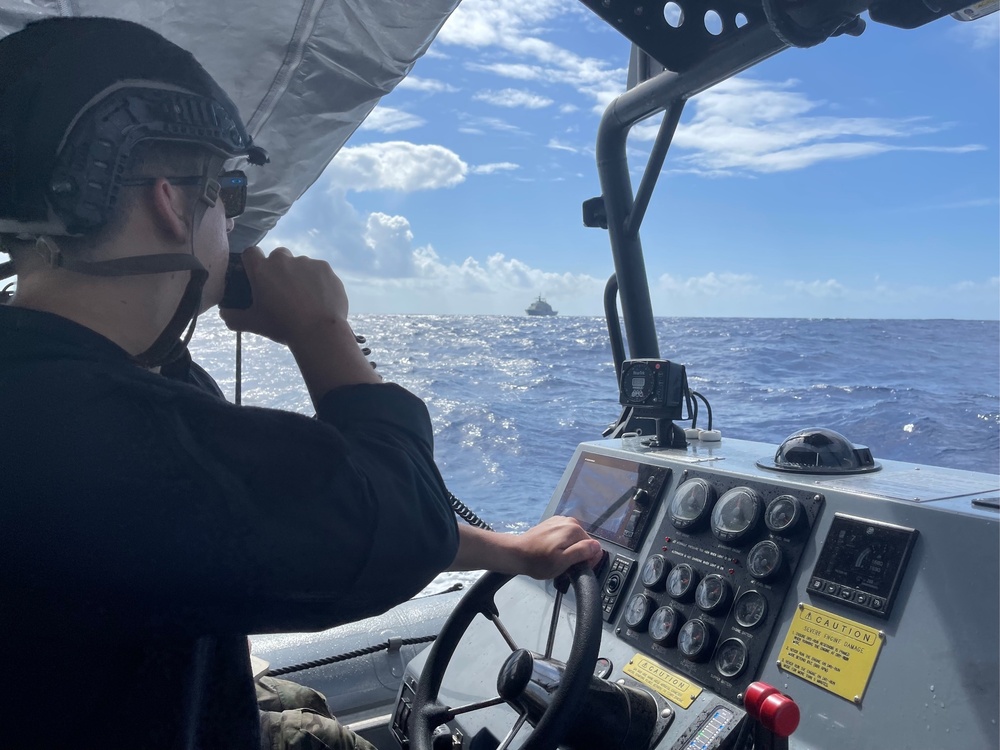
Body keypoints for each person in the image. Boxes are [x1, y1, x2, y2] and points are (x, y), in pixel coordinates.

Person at [0, 16, 603, 750]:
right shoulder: (93, 435)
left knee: (305, 709)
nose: (234, 227)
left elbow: (310, 507)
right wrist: (322, 330)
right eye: (227, 193)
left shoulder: (86, 378)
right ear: (171, 201)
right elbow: (392, 518)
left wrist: (511, 551)